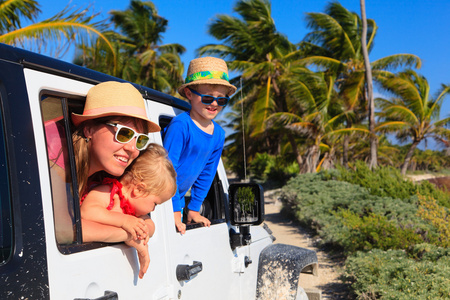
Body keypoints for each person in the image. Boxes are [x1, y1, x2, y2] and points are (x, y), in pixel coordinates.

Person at [47, 81, 161, 278]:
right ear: (89, 129)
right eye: (124, 134)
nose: (133, 149)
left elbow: (147, 223)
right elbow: (64, 231)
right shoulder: (54, 147)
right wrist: (128, 234)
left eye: (140, 139)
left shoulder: (112, 169)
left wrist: (136, 227)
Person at [163, 57, 236, 234]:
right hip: (162, 200)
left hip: (178, 200)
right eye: (208, 98)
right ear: (189, 94)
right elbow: (166, 169)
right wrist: (172, 210)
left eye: (221, 100)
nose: (214, 104)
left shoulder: (218, 134)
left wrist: (194, 208)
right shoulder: (181, 125)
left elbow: (207, 172)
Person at [80, 144, 176, 278]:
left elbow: (151, 226)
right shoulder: (108, 192)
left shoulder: (134, 211)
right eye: (155, 203)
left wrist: (141, 232)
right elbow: (87, 211)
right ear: (139, 190)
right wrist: (124, 221)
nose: (153, 209)